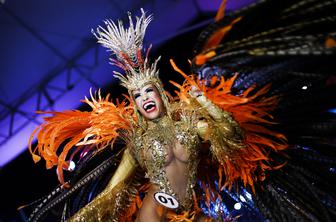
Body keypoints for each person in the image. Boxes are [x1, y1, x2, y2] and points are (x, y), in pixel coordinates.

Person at [28, 1, 336, 221]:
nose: (144, 98)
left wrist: (206, 104)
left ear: (160, 93)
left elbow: (234, 141)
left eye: (148, 90)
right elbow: (115, 191)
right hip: (155, 208)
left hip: (192, 210)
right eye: (136, 95)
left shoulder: (191, 125)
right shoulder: (136, 143)